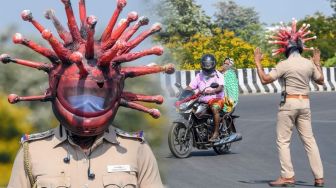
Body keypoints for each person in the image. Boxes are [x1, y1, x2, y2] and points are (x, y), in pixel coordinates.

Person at [3, 0, 175, 187]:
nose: (86, 110)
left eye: (98, 99)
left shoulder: (136, 150)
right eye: (76, 97)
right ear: (52, 86)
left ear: (119, 91)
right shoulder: (33, 153)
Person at [254, 19, 325, 187]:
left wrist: (258, 63)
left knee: (283, 141)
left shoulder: (284, 64)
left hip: (288, 105)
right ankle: (319, 177)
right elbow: (321, 81)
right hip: (305, 104)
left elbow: (265, 80)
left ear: (286, 48)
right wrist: (318, 63)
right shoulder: (309, 64)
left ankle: (287, 176)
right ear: (300, 47)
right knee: (309, 140)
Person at [186, 54, 225, 142]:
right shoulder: (199, 75)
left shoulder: (218, 75)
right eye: (205, 64)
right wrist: (182, 92)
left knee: (214, 108)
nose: (207, 66)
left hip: (216, 99)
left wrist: (213, 91)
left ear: (213, 64)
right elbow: (190, 87)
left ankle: (216, 133)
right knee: (190, 108)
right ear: (202, 64)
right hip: (201, 101)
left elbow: (220, 87)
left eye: (209, 64)